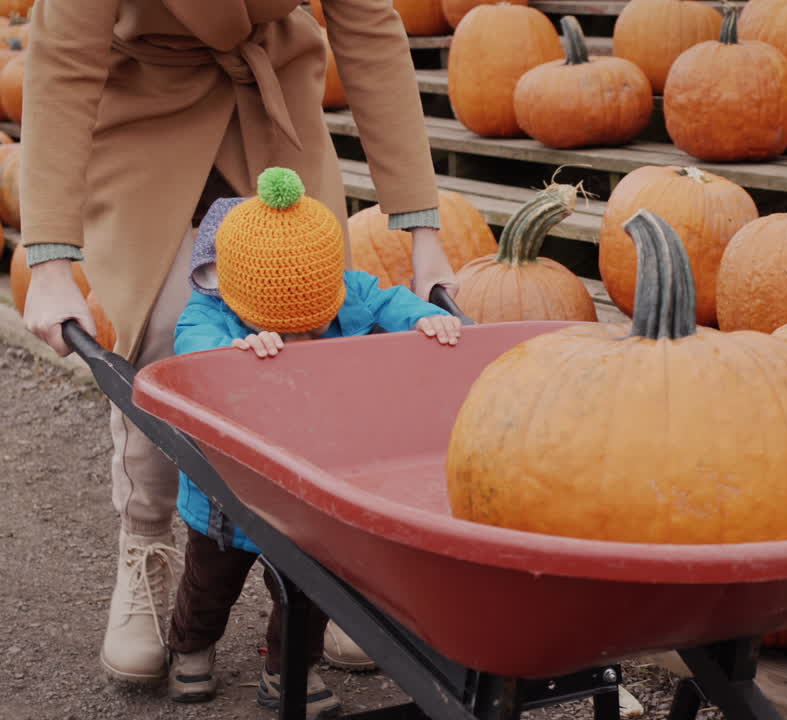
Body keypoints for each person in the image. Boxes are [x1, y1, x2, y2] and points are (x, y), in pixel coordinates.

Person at [18, 1, 454, 683]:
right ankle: (147, 543)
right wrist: (48, 261)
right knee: (163, 334)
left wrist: (425, 237)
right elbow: (63, 57)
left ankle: (342, 565)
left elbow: (368, 27)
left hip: (273, 98)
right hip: (145, 107)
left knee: (321, 327)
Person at [163, 167, 461, 717]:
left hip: (312, 486)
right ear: (230, 289)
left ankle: (286, 671)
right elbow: (194, 351)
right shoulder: (209, 315)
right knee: (209, 585)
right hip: (226, 498)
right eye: (285, 327)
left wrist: (426, 320)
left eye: (313, 325)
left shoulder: (348, 291)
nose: (301, 340)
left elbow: (391, 300)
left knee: (310, 592)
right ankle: (191, 649)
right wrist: (236, 351)